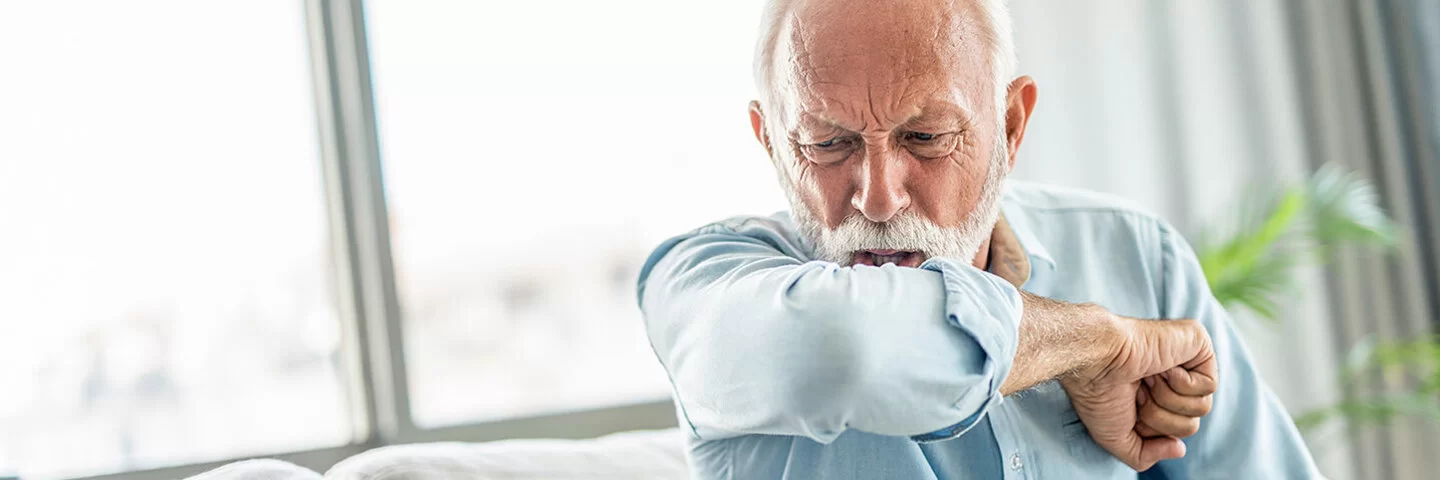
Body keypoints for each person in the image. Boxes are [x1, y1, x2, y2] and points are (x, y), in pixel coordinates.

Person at [635, 0, 1322, 478]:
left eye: (926, 138)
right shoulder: (702, 285)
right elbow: (837, 351)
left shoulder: (1137, 256)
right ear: (772, 145)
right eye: (827, 142)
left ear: (1012, 127)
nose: (877, 196)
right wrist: (1098, 343)